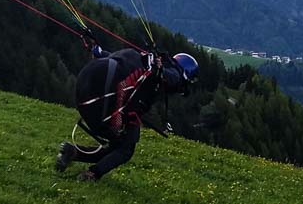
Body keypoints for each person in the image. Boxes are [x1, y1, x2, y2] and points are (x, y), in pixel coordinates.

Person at [55, 30, 199, 181]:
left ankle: (73, 153)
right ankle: (91, 174)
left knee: (118, 145)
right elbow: (172, 78)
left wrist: (96, 49)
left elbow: (112, 58)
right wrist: (160, 70)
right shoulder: (173, 73)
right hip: (116, 105)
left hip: (87, 95)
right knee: (126, 149)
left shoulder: (146, 60)